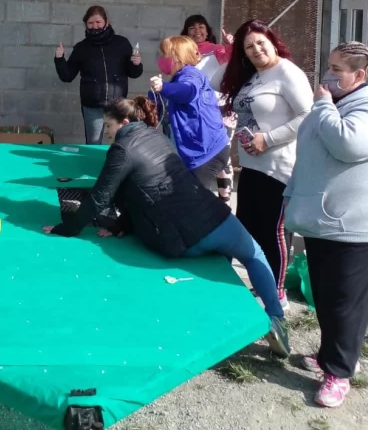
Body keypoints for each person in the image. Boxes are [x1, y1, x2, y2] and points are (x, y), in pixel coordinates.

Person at [42, 97, 290, 358]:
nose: (107, 133)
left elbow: (102, 197)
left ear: (124, 123)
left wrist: (67, 228)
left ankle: (218, 320)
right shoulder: (156, 136)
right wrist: (122, 224)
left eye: (108, 126)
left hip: (182, 236)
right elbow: (146, 183)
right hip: (214, 214)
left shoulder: (122, 148)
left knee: (205, 257)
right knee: (253, 254)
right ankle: (276, 316)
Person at [283, 42, 368, 408]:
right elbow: (310, 152)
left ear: (359, 75)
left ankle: (340, 374)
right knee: (328, 299)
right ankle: (330, 356)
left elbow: (349, 144)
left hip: (359, 227)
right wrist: (292, 193)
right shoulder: (338, 103)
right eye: (328, 67)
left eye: (337, 69)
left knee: (347, 304)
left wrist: (321, 105)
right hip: (326, 221)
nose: (328, 76)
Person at [212, 20, 313, 309]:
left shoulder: (287, 72)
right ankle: (261, 287)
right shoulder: (253, 74)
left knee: (273, 231)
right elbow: (214, 81)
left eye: (260, 42)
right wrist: (231, 53)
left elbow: (308, 115)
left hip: (279, 166)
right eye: (248, 47)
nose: (256, 50)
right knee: (250, 229)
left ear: (272, 40)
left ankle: (277, 294)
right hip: (252, 166)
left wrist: (268, 139)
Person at [148, 35, 230, 191]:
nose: (161, 59)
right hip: (193, 152)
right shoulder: (176, 79)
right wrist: (154, 96)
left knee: (195, 203)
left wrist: (163, 88)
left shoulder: (192, 74)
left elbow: (188, 91)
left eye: (164, 54)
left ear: (178, 57)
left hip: (206, 152)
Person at [54, 5, 143, 144]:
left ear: (106, 22)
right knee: (94, 143)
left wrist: (136, 64)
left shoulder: (122, 43)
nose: (95, 26)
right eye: (90, 23)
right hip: (92, 105)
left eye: (98, 22)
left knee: (120, 142)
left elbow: (134, 74)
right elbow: (67, 76)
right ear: (86, 24)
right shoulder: (81, 47)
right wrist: (59, 59)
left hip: (117, 104)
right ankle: (93, 166)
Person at [182, 14, 236, 201]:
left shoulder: (218, 50)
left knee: (222, 151)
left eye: (201, 27)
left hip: (221, 109)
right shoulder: (183, 53)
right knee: (202, 151)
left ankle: (225, 197)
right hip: (195, 111)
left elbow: (234, 61)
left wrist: (232, 46)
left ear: (207, 30)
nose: (197, 31)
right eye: (192, 28)